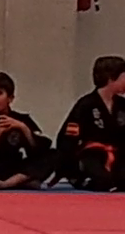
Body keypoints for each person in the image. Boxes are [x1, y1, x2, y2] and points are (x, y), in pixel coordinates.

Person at [53, 56, 125, 191]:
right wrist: (69, 167)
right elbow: (68, 139)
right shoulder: (86, 104)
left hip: (118, 156)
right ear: (111, 78)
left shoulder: (122, 105)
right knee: (102, 181)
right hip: (92, 155)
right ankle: (81, 178)